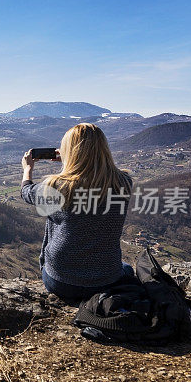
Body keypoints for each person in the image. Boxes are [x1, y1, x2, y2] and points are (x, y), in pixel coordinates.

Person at [21, 123, 134, 302]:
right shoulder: (124, 182)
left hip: (61, 282)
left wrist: (28, 170)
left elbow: (27, 193)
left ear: (69, 151)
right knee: (127, 269)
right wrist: (72, 161)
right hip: (107, 282)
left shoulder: (57, 186)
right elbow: (98, 175)